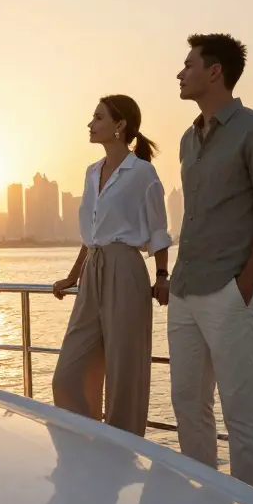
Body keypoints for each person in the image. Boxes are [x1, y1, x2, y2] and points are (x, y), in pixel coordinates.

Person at [167, 33, 253, 491]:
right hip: (184, 291)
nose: (179, 73)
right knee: (187, 403)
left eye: (188, 65)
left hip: (229, 291)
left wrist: (245, 284)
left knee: (240, 411)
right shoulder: (188, 139)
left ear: (214, 71)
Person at [50, 95, 172, 437]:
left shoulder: (143, 173)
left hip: (127, 269)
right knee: (67, 375)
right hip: (93, 272)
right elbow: (91, 236)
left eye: (98, 117)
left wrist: (162, 275)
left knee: (124, 372)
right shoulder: (91, 173)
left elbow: (158, 229)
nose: (90, 124)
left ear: (119, 126)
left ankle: (125, 451)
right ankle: (90, 444)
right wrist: (73, 276)